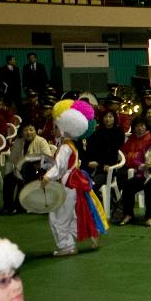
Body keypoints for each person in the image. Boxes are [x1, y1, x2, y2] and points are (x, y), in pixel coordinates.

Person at [43, 101, 107, 256]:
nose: (54, 130)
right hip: (72, 183)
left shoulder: (65, 147)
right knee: (70, 215)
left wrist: (47, 176)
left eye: (56, 127)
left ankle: (67, 246)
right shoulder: (69, 145)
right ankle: (85, 234)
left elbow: (59, 168)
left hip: (66, 184)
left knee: (58, 218)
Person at [0, 122, 52, 215]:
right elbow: (11, 160)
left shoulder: (41, 141)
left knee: (26, 166)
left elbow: (48, 158)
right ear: (22, 132)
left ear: (35, 131)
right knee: (8, 178)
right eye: (26, 130)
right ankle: (8, 206)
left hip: (38, 171)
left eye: (31, 130)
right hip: (20, 172)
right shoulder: (18, 142)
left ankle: (20, 202)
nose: (29, 132)